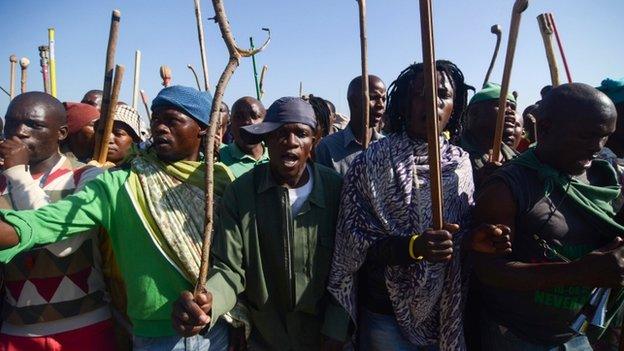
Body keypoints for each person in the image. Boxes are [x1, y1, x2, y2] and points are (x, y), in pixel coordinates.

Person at [0, 86, 234, 350]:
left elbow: (235, 263)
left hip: (215, 328)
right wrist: (16, 229)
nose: (159, 128)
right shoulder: (118, 183)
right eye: (156, 120)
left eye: (172, 120)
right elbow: (52, 221)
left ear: (202, 127)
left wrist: (215, 301)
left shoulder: (222, 180)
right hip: (155, 335)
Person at [327, 61, 507, 350]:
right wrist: (414, 248)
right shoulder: (371, 162)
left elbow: (458, 234)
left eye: (442, 94)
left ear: (455, 106)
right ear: (404, 103)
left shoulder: (460, 163)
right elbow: (355, 244)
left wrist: (474, 239)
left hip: (444, 309)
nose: (432, 102)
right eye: (420, 94)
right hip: (386, 312)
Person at [172, 97, 350, 350]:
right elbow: (229, 269)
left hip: (323, 337)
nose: (290, 142)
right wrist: (208, 301)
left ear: (315, 141)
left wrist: (336, 329)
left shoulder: (336, 190)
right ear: (265, 139)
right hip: (265, 337)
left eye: (301, 134)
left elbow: (347, 269)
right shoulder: (241, 193)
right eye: (279, 133)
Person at [473, 83, 623, 350]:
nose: (597, 147)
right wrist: (578, 272)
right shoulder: (507, 188)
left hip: (579, 334)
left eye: (605, 137)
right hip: (517, 337)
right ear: (545, 129)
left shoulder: (602, 178)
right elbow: (489, 271)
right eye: (587, 136)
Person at [0, 92, 111, 351]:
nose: (19, 133)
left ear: (61, 133)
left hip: (85, 328)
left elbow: (62, 244)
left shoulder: (87, 176)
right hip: (15, 332)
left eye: (33, 125)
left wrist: (17, 172)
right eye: (11, 123)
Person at [314, 75, 386, 175]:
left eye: (384, 99)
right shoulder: (327, 148)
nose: (381, 105)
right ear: (353, 101)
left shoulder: (387, 146)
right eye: (373, 97)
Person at [459, 82, 518, 175]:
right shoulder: (453, 154)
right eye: (501, 104)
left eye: (513, 107)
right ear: (474, 114)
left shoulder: (517, 158)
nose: (511, 111)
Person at [219, 97, 268, 178]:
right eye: (239, 117)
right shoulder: (217, 157)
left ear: (265, 122)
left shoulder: (275, 157)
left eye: (254, 116)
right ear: (230, 124)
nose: (247, 122)